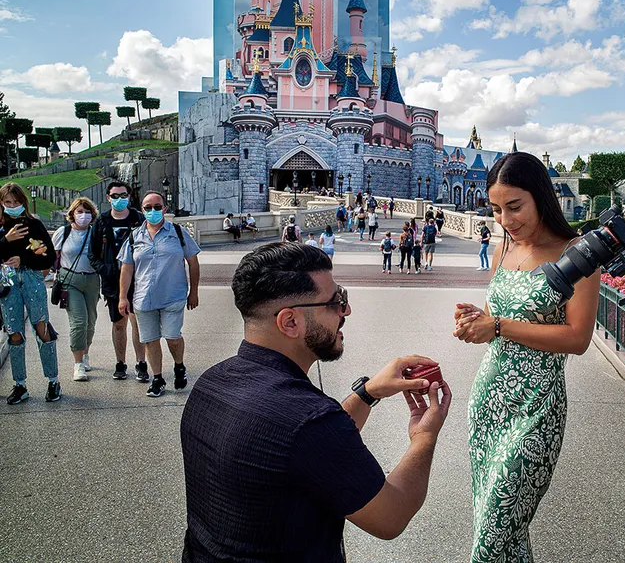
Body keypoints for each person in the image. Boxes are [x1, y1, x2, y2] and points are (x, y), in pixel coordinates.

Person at [180, 244, 451, 561]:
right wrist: (424, 437)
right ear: (290, 322)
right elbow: (391, 516)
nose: (346, 312)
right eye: (336, 302)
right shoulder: (308, 419)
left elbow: (302, 449)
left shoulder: (211, 383)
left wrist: (368, 393)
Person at [452, 152, 600, 561]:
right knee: (498, 527)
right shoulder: (504, 250)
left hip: (538, 407)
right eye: (496, 209)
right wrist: (479, 322)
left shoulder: (577, 253)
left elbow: (577, 338)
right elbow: (500, 318)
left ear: (541, 197)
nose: (505, 220)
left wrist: (497, 326)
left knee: (494, 536)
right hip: (489, 401)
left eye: (514, 207)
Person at [118, 191, 201, 398]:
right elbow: (127, 268)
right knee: (151, 340)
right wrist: (122, 297)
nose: (152, 211)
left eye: (157, 207)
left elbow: (193, 262)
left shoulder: (178, 233)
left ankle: (179, 366)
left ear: (164, 209)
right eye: (148, 207)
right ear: (142, 210)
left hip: (173, 296)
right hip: (144, 298)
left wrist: (194, 292)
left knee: (173, 337)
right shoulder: (134, 236)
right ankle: (157, 379)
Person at [0, 183, 60, 404]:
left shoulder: (33, 224)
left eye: (16, 202)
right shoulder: (1, 227)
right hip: (7, 279)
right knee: (13, 331)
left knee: (41, 326)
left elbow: (48, 255)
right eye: (7, 202)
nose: (12, 206)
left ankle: (53, 380)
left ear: (23, 202)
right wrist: (7, 240)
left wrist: (23, 259)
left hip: (32, 277)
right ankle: (19, 384)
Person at [88, 181, 148, 382]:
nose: (119, 199)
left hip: (139, 280)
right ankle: (120, 363)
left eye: (123, 195)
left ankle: (141, 363)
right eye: (115, 196)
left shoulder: (139, 219)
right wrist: (105, 269)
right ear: (108, 198)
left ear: (129, 197)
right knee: (118, 324)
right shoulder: (102, 222)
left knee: (137, 322)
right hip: (112, 281)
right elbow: (93, 254)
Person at [52, 198, 101, 382]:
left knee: (90, 323)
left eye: (87, 212)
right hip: (70, 280)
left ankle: (85, 353)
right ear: (72, 214)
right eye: (79, 211)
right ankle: (78, 364)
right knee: (79, 322)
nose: (83, 215)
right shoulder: (63, 233)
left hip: (92, 280)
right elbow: (53, 256)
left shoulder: (96, 232)